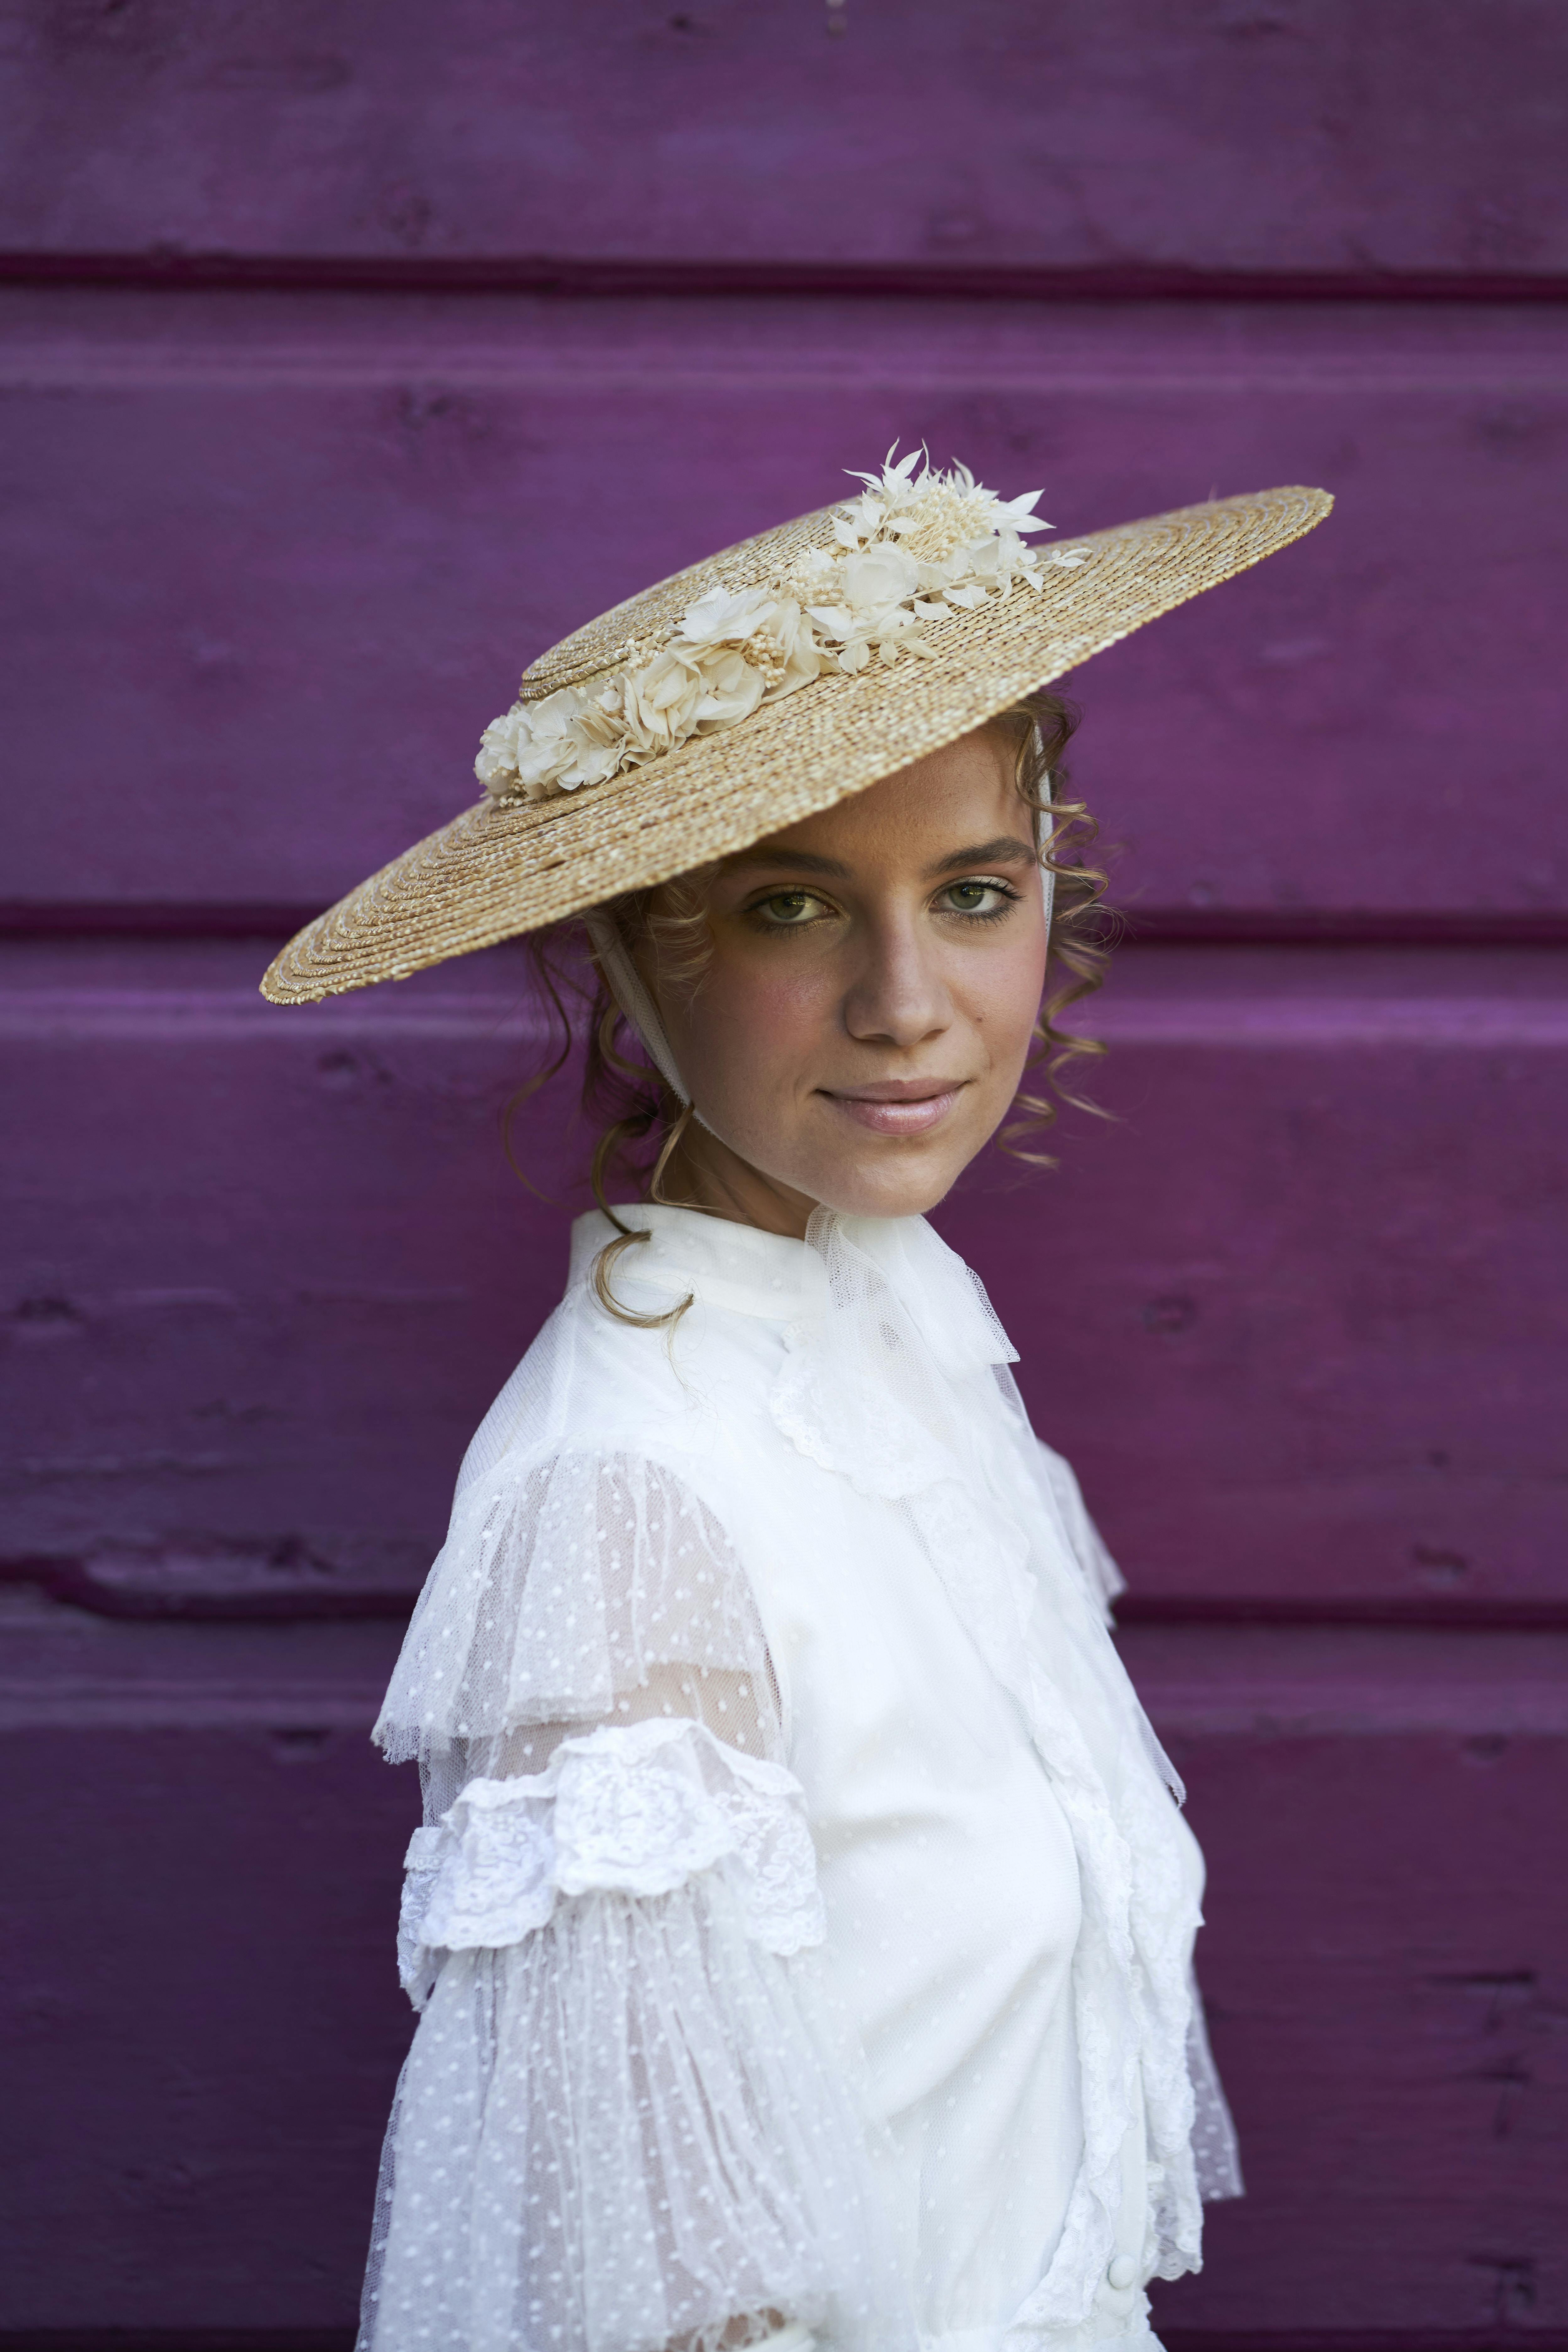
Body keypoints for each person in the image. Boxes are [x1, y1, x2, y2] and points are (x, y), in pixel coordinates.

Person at [263, 455, 1330, 2352]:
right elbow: (660, 2304)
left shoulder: (886, 1324)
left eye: (976, 891)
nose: (909, 1000)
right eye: (786, 908)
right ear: (621, 943)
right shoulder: (632, 1494)